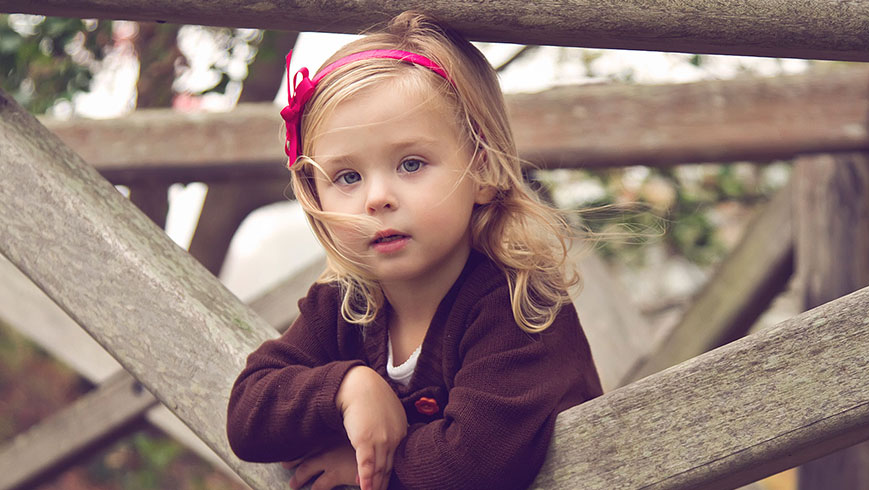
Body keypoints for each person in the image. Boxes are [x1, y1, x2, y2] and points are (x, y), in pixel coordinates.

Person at [226, 11, 602, 490]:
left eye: (411, 163)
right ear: (314, 192)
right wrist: (346, 387)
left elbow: (472, 465)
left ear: (483, 171)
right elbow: (247, 415)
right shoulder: (346, 305)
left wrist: (370, 469)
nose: (376, 198)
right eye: (347, 177)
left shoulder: (519, 307)